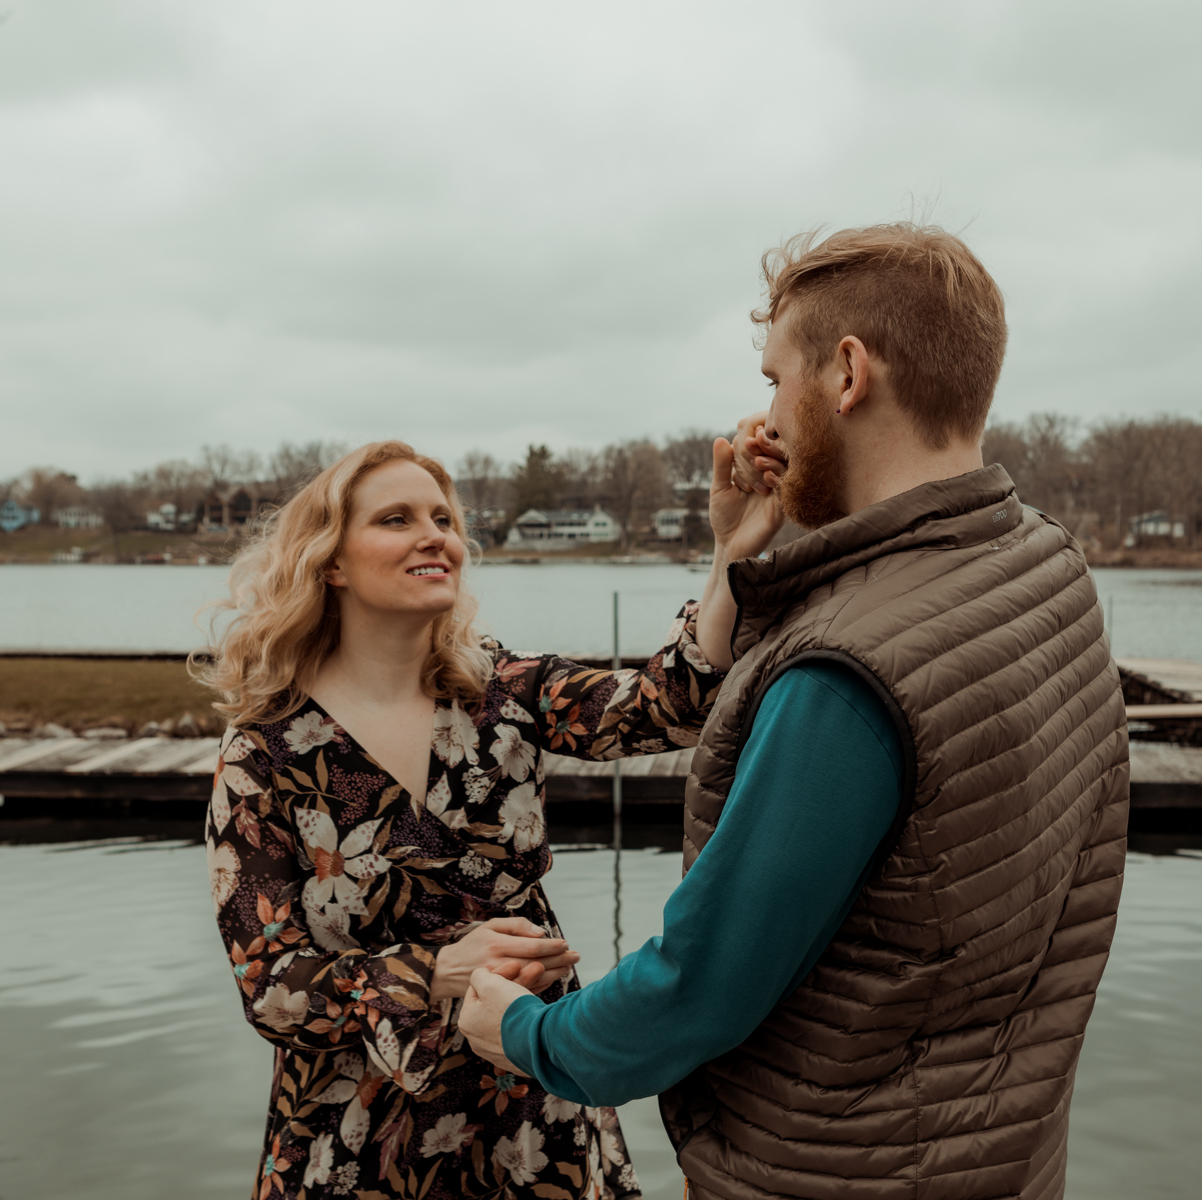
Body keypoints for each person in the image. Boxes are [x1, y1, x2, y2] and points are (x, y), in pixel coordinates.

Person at [459, 224, 1131, 1200]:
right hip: (998, 1155)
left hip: (837, 1171)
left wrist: (528, 1033)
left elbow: (698, 988)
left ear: (847, 374)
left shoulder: (846, 675)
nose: (766, 417)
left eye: (777, 380)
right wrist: (742, 555)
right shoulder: (1042, 563)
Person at [196, 439, 783, 1200]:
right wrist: (435, 971)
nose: (434, 536)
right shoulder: (264, 752)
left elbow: (671, 704)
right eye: (397, 519)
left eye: (443, 518)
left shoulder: (502, 690)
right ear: (330, 561)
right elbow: (271, 989)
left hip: (534, 1106)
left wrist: (731, 549)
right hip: (358, 1138)